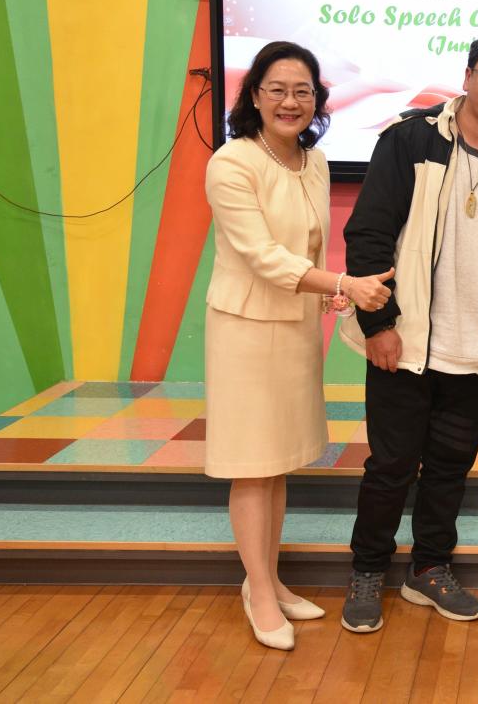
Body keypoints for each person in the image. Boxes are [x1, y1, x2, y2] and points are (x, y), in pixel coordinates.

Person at [338, 27, 478, 633]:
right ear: (468, 75)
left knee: (450, 471)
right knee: (390, 467)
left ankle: (429, 569)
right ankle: (367, 571)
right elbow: (369, 235)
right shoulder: (410, 140)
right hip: (404, 345)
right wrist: (378, 324)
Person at [204, 41, 393, 651]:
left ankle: (269, 578)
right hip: (245, 329)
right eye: (278, 90)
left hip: (294, 326)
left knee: (278, 459)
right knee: (251, 464)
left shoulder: (314, 160)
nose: (291, 102)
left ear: (317, 99)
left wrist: (327, 293)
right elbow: (261, 255)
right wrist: (342, 285)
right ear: (254, 95)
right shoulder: (232, 162)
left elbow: (307, 245)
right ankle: (258, 591)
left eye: (303, 91)